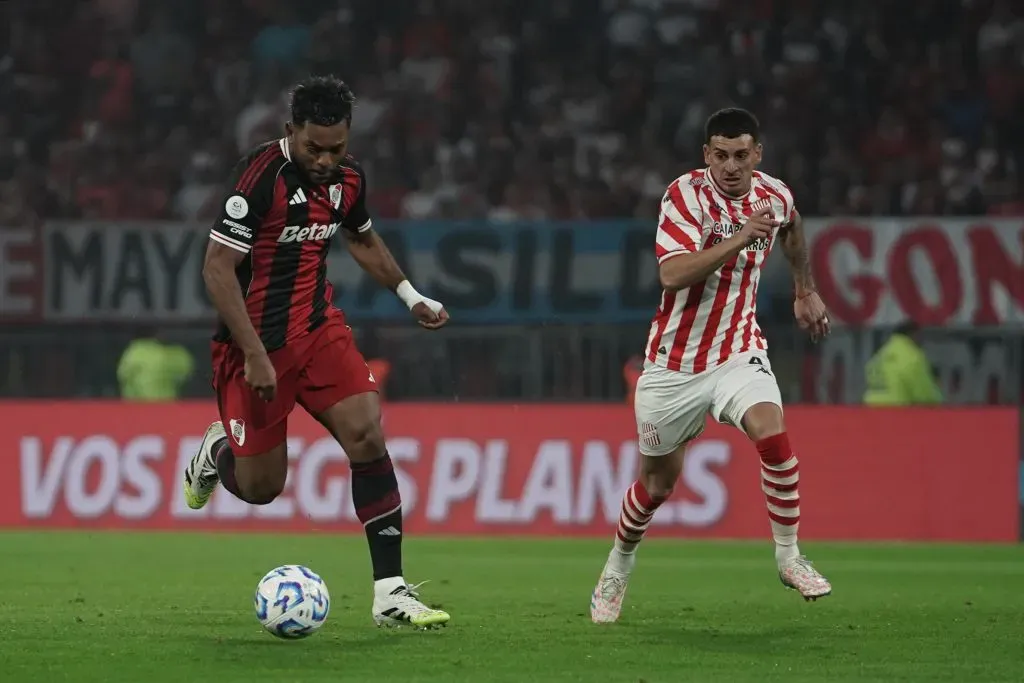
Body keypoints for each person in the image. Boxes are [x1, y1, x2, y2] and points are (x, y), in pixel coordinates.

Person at [182, 75, 451, 629]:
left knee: (367, 433)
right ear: (291, 132)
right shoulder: (259, 177)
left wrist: (410, 295)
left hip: (317, 329)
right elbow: (216, 268)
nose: (326, 159)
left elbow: (361, 238)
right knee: (261, 488)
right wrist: (255, 353)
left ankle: (390, 593)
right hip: (253, 348)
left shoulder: (348, 178)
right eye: (314, 147)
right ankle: (217, 453)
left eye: (337, 147)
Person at [590, 108, 833, 624]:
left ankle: (788, 555)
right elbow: (672, 274)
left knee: (772, 431)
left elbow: (790, 227)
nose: (730, 166)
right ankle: (618, 565)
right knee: (656, 486)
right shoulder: (685, 196)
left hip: (738, 350)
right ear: (707, 156)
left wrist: (804, 289)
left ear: (757, 154)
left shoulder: (775, 194)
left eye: (741, 155)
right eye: (720, 155)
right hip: (674, 365)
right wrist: (741, 238)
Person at [863, 322, 943, 406]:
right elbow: (925, 395)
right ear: (914, 334)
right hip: (898, 411)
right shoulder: (912, 356)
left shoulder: (880, 354)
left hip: (871, 409)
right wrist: (937, 393)